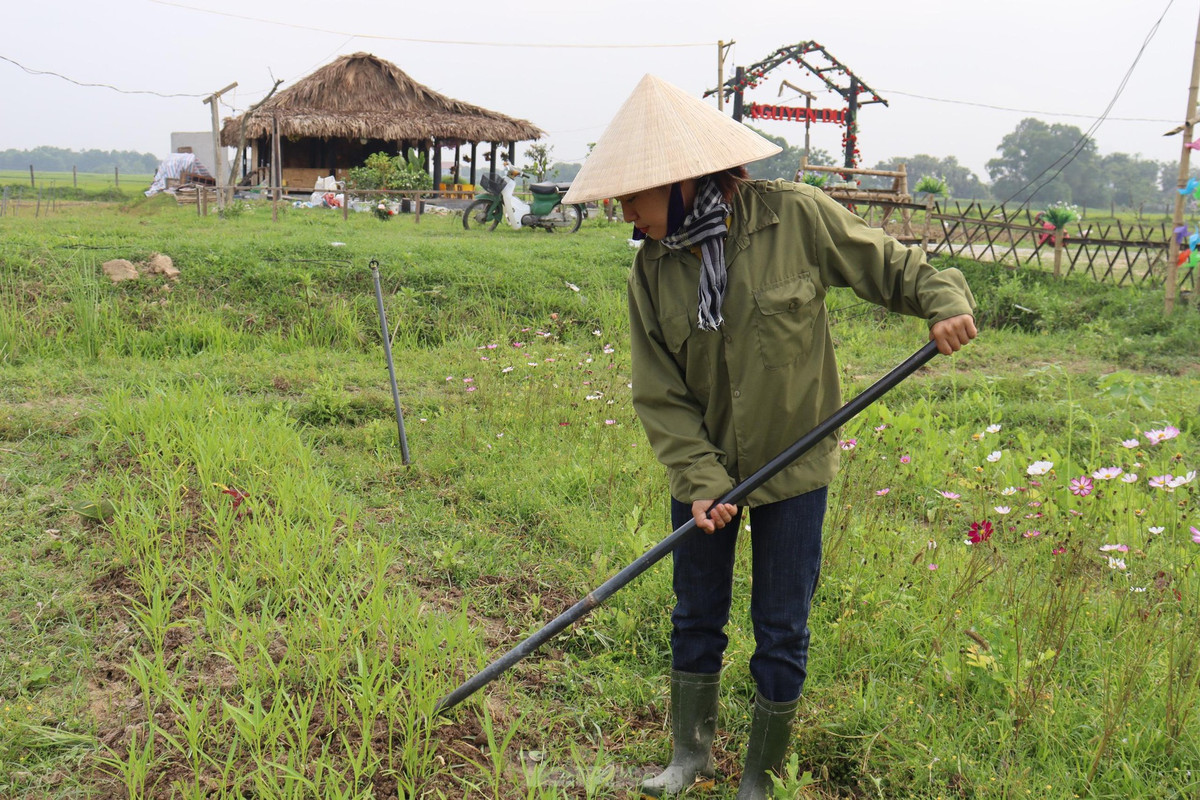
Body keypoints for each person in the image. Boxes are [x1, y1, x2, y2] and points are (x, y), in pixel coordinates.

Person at [562, 75, 977, 799]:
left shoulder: (795, 219)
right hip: (705, 479)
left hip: (795, 464)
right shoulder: (650, 268)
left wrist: (943, 301)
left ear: (684, 181)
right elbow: (658, 392)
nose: (623, 211)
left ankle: (763, 773)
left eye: (634, 194)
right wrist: (700, 479)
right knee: (696, 616)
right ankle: (689, 756)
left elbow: (892, 266)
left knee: (781, 626)